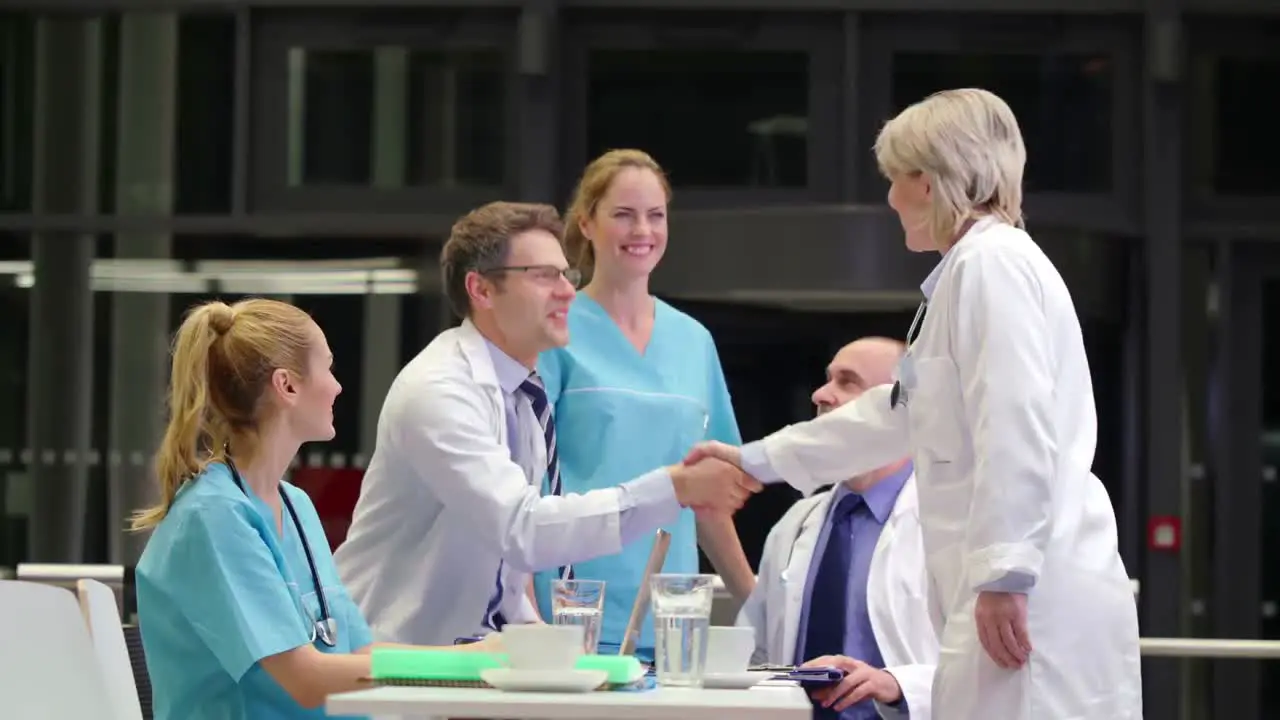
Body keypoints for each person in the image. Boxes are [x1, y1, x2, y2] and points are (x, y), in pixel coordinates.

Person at [688, 89, 1142, 719]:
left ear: (926, 182)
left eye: (895, 180)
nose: (891, 198)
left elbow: (1015, 422)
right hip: (1006, 590)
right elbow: (893, 415)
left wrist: (1004, 575)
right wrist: (756, 460)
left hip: (1030, 596)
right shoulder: (969, 273)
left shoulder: (992, 266)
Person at [334, 201, 761, 647]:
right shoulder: (441, 390)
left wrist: (550, 647)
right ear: (481, 290)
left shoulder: (525, 394)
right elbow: (524, 531)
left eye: (566, 275)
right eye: (543, 276)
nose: (567, 292)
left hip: (463, 660)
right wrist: (674, 487)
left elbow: (503, 575)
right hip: (389, 665)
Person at [132, 299, 500, 720]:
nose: (338, 386)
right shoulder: (214, 518)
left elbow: (358, 651)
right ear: (286, 386)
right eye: (327, 368)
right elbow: (306, 679)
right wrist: (468, 665)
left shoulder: (296, 506)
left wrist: (476, 656)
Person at [532, 149, 755, 659]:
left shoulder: (694, 341)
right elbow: (525, 486)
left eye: (655, 215)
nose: (643, 231)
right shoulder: (554, 335)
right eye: (624, 215)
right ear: (586, 223)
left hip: (672, 623)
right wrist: (526, 618)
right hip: (573, 613)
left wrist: (759, 600)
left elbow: (709, 500)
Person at [737, 338, 939, 720]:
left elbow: (993, 670)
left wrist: (899, 685)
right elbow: (756, 653)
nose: (820, 394)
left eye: (847, 382)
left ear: (894, 409)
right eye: (827, 379)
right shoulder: (796, 524)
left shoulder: (952, 524)